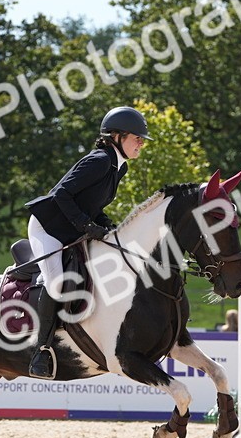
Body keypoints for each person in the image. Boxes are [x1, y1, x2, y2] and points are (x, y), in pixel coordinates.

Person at [22, 106, 151, 379]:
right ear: (117, 136)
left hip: (71, 228)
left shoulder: (118, 166)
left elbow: (93, 204)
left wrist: (108, 226)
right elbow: (62, 194)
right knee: (56, 283)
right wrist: (86, 225)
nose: (141, 143)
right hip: (49, 229)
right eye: (137, 138)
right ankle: (40, 351)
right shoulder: (99, 161)